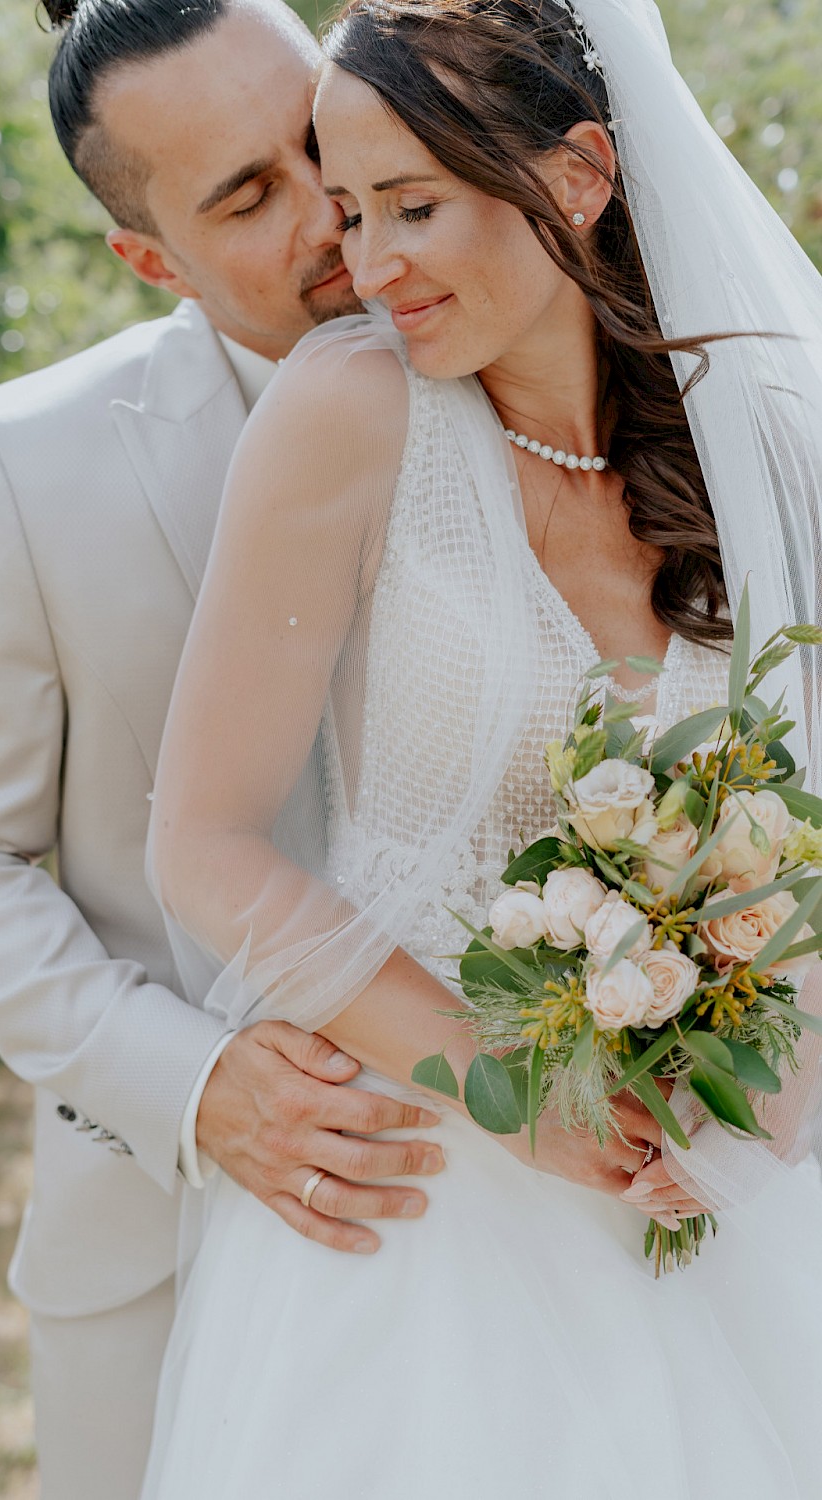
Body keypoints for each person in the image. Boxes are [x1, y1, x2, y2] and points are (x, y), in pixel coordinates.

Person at [143, 0, 822, 1493]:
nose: (366, 265)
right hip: (421, 1190)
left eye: (414, 205)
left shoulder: (751, 443)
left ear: (576, 176)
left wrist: (764, 1076)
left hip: (698, 1169)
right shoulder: (352, 409)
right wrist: (518, 1100)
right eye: (351, 208)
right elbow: (200, 842)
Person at [0, 1, 461, 1495]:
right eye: (246, 198)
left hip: (510, 1215)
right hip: (166, 1254)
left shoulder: (532, 390)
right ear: (152, 260)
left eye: (317, 141)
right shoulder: (24, 460)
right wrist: (194, 1084)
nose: (333, 208)